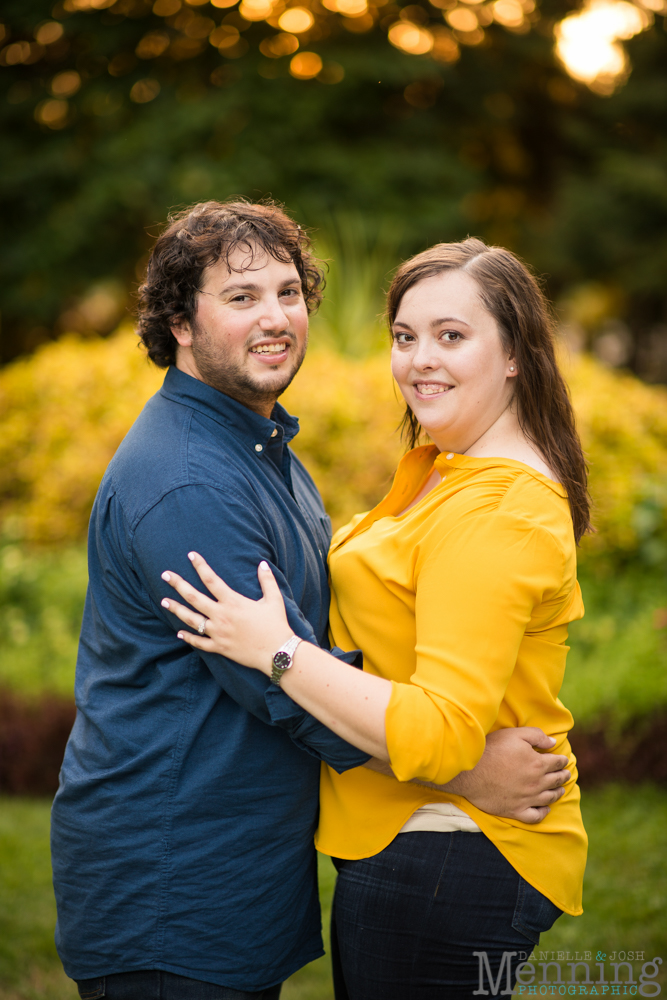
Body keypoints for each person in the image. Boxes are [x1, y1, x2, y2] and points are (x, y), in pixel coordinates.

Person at [51, 201, 570, 1000]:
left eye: (288, 293)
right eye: (241, 297)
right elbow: (281, 690)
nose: (275, 318)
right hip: (173, 879)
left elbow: (296, 647)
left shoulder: (261, 449)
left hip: (236, 869)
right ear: (179, 323)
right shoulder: (192, 481)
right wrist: (464, 774)